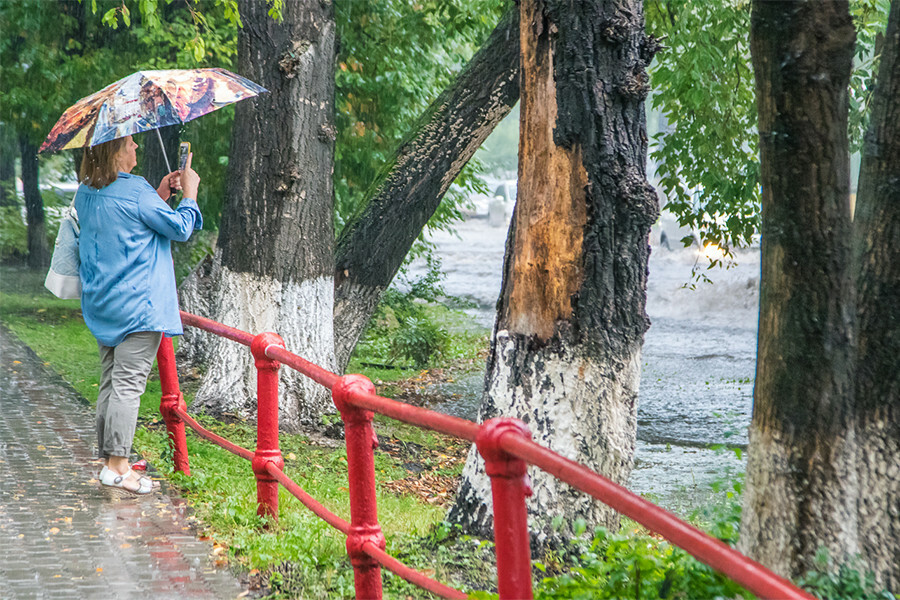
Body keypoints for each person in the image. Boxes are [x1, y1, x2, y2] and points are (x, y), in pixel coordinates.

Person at [75, 134, 202, 496]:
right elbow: (179, 228)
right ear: (115, 151)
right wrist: (188, 195)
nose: (136, 148)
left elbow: (126, 225)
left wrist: (159, 195)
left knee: (111, 384)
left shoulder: (86, 192)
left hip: (105, 305)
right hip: (139, 307)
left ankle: (109, 463)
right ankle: (118, 468)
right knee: (128, 388)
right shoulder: (136, 190)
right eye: (129, 143)